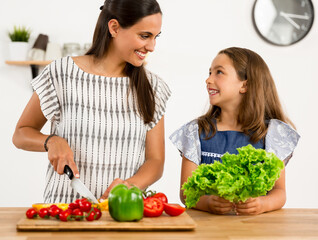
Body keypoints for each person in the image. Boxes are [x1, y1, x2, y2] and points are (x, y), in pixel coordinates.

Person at [12, 0, 171, 203]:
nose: (151, 46)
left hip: (122, 215)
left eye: (155, 37)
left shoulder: (153, 87)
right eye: (144, 36)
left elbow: (155, 161)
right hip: (65, 213)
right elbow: (21, 133)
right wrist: (51, 141)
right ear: (114, 27)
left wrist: (128, 186)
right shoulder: (62, 73)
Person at [170, 47, 300, 215]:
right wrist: (208, 202)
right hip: (208, 228)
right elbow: (186, 192)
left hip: (255, 229)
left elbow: (279, 192)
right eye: (209, 72)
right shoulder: (196, 131)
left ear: (244, 85)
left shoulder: (271, 134)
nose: (208, 79)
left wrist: (261, 204)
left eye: (219, 72)